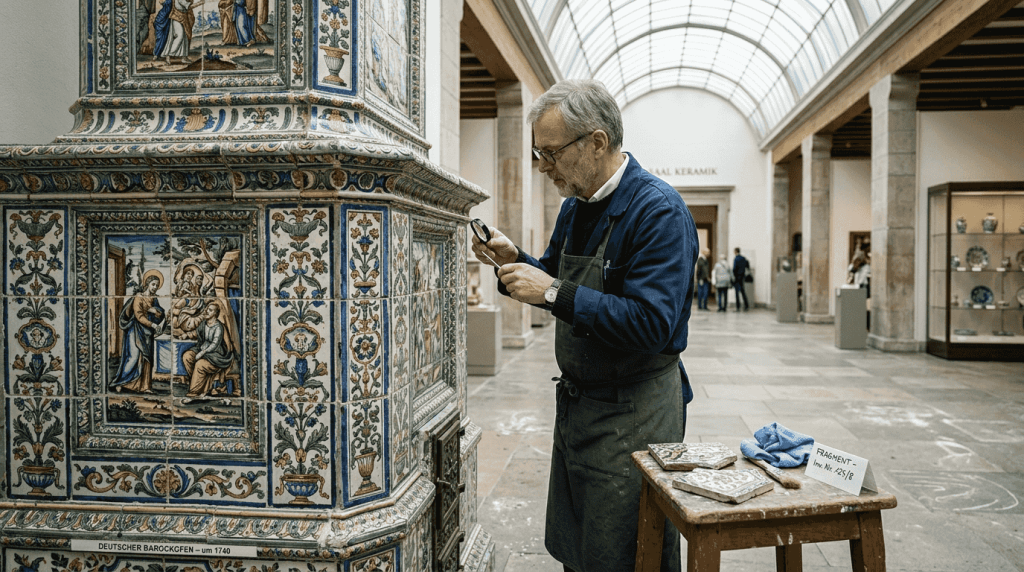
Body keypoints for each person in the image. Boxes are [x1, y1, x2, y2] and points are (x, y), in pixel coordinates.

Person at [471, 79, 697, 572]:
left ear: (596, 142)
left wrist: (550, 290)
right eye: (538, 152)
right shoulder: (575, 207)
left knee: (631, 549)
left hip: (635, 412)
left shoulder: (658, 211)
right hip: (581, 409)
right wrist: (517, 262)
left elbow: (651, 324)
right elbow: (554, 280)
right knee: (582, 545)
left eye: (551, 153)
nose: (543, 166)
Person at [110, 270, 165, 393]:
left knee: (147, 358)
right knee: (133, 358)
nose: (155, 287)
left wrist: (155, 311)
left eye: (157, 285)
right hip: (135, 331)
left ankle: (145, 386)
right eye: (153, 284)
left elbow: (161, 313)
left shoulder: (154, 299)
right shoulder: (139, 297)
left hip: (148, 333)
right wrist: (152, 322)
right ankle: (122, 382)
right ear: (147, 284)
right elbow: (139, 316)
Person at [181, 301, 239, 404]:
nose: (207, 311)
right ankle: (201, 387)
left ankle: (193, 394)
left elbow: (215, 344)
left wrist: (202, 353)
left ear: (215, 314)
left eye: (210, 310)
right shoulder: (204, 323)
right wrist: (187, 335)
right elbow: (197, 332)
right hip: (204, 350)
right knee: (187, 356)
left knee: (200, 364)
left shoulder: (218, 327)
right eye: (207, 309)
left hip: (217, 355)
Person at [153, 0, 201, 64]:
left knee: (185, 37)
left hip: (183, 17)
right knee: (180, 35)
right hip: (176, 17)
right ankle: (169, 54)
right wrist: (200, 3)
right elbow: (189, 6)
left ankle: (184, 57)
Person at [732, 247, 750, 311]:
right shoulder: (743, 258)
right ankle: (746, 305)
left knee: (737, 292)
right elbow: (747, 265)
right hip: (742, 276)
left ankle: (738, 307)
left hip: (737, 277)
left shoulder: (736, 259)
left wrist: (734, 275)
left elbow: (734, 268)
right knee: (742, 291)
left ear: (736, 251)